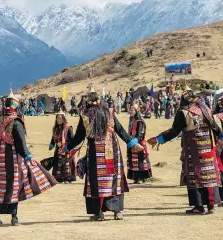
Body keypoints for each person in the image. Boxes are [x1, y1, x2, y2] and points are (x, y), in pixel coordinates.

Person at [65, 88, 141, 221]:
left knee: (96, 182)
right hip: (112, 151)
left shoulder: (85, 116)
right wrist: (132, 143)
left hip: (95, 153)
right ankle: (117, 211)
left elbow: (78, 137)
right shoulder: (109, 112)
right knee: (114, 180)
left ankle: (98, 212)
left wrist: (67, 147)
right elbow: (120, 130)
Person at [148, 89, 223, 215]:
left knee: (196, 176)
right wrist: (222, 136)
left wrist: (159, 139)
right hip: (208, 149)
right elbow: (215, 127)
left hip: (194, 150)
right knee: (209, 175)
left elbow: (174, 131)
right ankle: (211, 205)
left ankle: (199, 206)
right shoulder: (205, 109)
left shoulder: (184, 113)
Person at [0, 90, 56, 226]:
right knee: (13, 186)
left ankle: (14, 217)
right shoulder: (16, 122)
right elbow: (20, 143)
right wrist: (28, 156)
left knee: (5, 186)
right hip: (12, 158)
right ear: (16, 106)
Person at [48, 110, 76, 183]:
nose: (59, 120)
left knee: (66, 163)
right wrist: (52, 144)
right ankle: (58, 178)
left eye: (60, 118)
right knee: (58, 163)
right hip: (58, 149)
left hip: (66, 149)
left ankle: (67, 178)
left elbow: (72, 139)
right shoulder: (55, 128)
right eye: (57, 118)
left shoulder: (68, 128)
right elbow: (53, 137)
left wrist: (67, 146)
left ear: (63, 119)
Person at [127, 106, 152, 184]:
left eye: (132, 110)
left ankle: (141, 178)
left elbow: (139, 134)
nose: (130, 111)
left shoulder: (139, 121)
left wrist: (135, 142)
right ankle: (136, 178)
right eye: (130, 109)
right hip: (132, 143)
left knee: (140, 161)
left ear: (136, 111)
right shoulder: (131, 120)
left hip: (138, 143)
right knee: (133, 161)